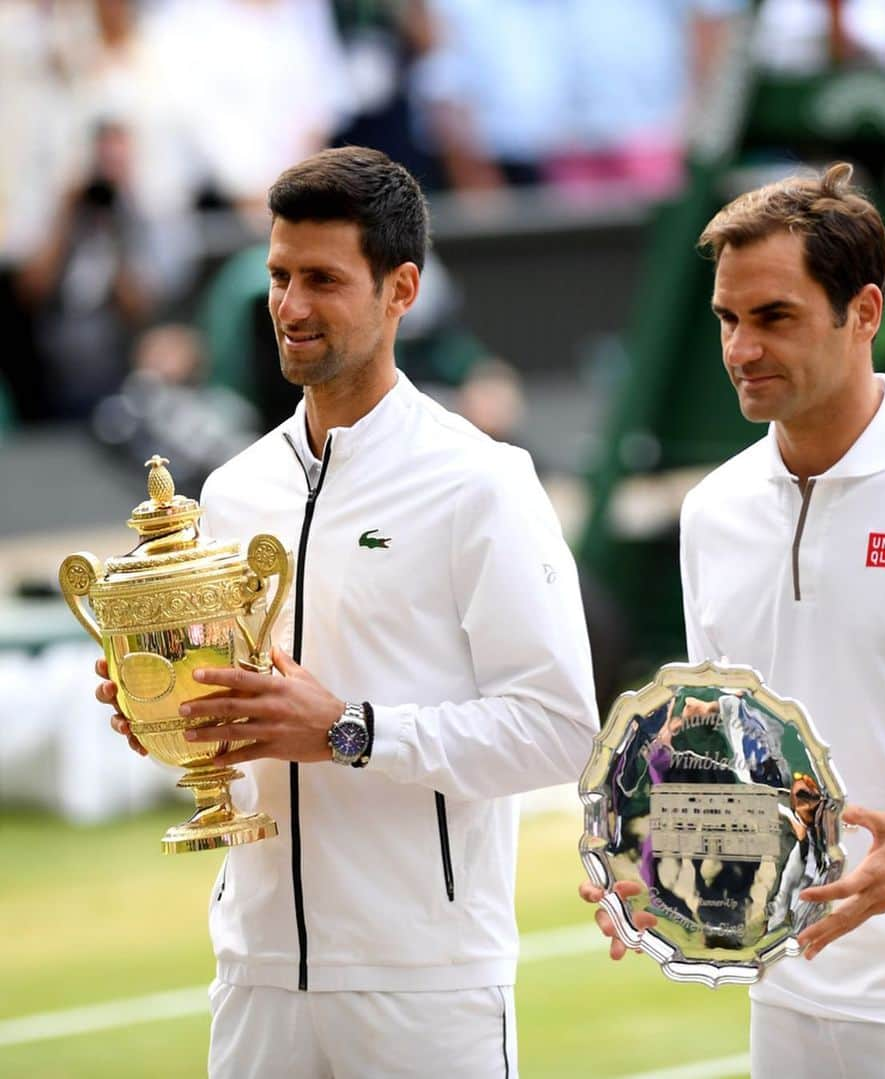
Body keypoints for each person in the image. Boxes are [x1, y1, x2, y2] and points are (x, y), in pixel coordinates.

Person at [95, 145, 598, 1078]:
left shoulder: (481, 482)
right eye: (279, 276)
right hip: (254, 975)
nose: (289, 307)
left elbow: (560, 731)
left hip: (426, 984)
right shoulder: (236, 489)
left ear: (401, 289)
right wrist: (170, 713)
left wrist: (349, 732)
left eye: (321, 279)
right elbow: (254, 716)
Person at [582, 161, 885, 1077]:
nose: (740, 348)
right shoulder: (714, 509)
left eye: (775, 317)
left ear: (865, 313)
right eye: (728, 319)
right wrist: (648, 863)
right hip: (791, 1007)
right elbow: (735, 757)